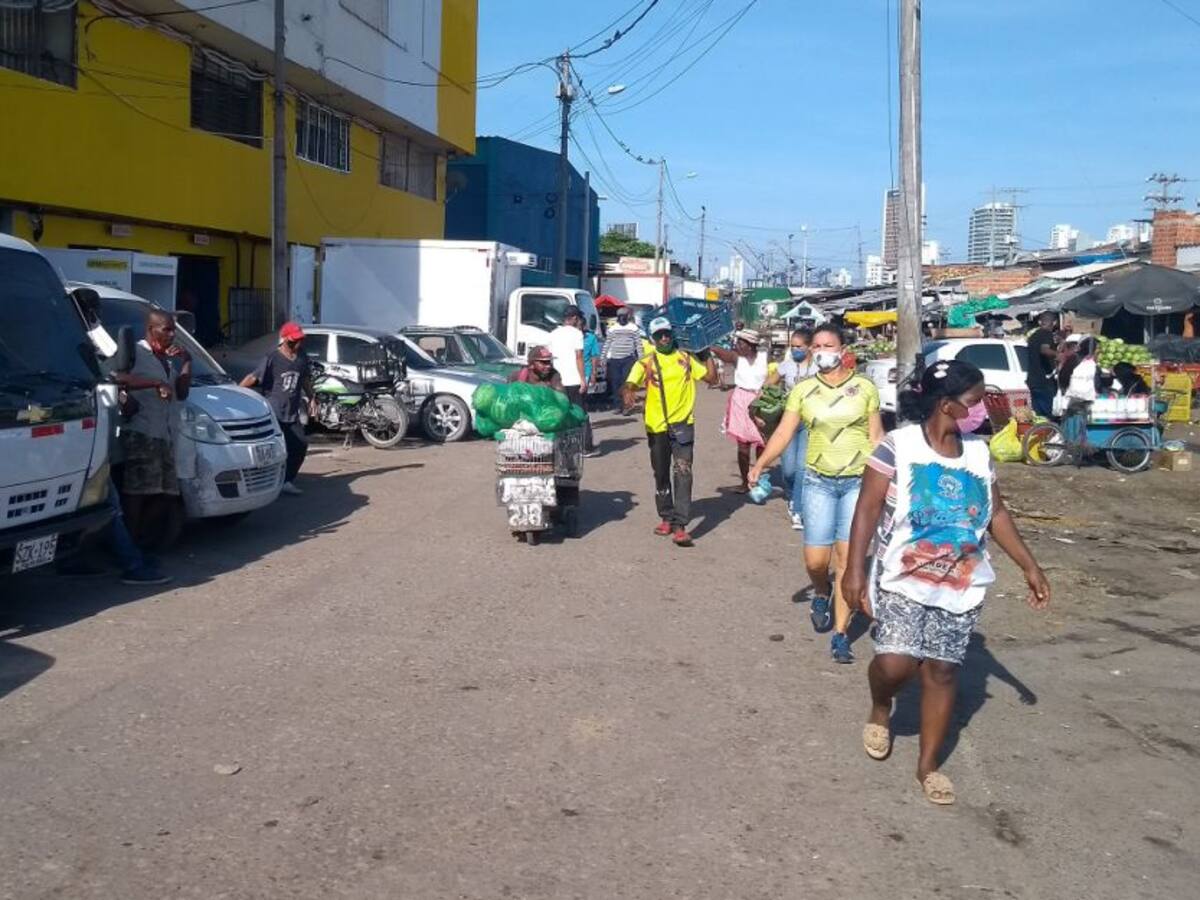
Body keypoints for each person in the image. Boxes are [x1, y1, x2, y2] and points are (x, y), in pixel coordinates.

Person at [841, 359, 1050, 806]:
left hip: (963, 582)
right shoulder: (898, 446)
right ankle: (881, 707)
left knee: (942, 669)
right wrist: (854, 569)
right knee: (897, 663)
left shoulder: (978, 452)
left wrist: (1030, 566)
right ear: (946, 404)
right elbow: (867, 509)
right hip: (902, 575)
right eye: (974, 402)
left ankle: (928, 765)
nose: (981, 410)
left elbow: (996, 513)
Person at [749, 324, 884, 663]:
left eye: (829, 345)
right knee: (816, 560)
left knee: (846, 560)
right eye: (817, 346)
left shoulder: (865, 387)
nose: (822, 351)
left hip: (858, 483)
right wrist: (762, 463)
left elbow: (877, 437)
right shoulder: (804, 390)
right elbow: (784, 431)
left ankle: (840, 634)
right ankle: (821, 591)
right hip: (818, 483)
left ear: (842, 349)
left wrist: (889, 480)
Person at [622, 316, 718, 547]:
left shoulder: (685, 358)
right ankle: (666, 516)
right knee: (661, 473)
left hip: (683, 424)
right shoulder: (646, 362)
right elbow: (629, 385)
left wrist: (706, 353)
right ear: (653, 339)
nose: (664, 338)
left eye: (667, 333)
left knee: (683, 472)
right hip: (657, 426)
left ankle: (681, 526)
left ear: (672, 334)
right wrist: (628, 393)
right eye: (659, 335)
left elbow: (711, 378)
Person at [114, 308, 191, 545]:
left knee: (168, 494)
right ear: (151, 329)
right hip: (141, 431)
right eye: (166, 329)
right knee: (137, 493)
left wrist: (187, 361)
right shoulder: (135, 352)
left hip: (164, 433)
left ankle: (137, 540)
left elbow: (182, 392)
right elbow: (117, 378)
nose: (171, 334)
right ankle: (130, 544)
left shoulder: (167, 359)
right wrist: (155, 382)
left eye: (173, 329)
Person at [241, 321, 313, 496]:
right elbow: (253, 377)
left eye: (300, 340)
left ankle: (286, 480)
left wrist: (312, 398)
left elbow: (304, 380)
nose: (297, 344)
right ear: (285, 339)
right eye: (294, 341)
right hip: (274, 412)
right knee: (274, 450)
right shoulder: (272, 358)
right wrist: (237, 392)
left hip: (292, 412)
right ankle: (263, 482)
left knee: (300, 445)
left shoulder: (302, 357)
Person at [767, 328, 817, 530]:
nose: (795, 350)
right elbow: (768, 384)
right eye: (793, 346)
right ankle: (790, 492)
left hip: (809, 422)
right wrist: (772, 399)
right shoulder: (786, 366)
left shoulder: (818, 368)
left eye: (799, 347)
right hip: (787, 421)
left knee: (802, 467)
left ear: (809, 347)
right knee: (788, 469)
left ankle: (798, 508)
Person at [710, 329, 769, 491]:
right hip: (740, 402)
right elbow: (721, 353)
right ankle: (745, 483)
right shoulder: (737, 358)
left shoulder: (765, 357)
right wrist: (709, 346)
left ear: (751, 345)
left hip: (761, 401)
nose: (737, 346)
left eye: (741, 344)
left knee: (762, 443)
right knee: (743, 446)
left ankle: (758, 478)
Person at [548, 306, 596, 455]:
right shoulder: (577, 334)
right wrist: (583, 379)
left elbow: (550, 357)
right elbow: (579, 357)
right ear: (575, 318)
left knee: (561, 413)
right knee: (580, 413)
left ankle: (562, 445)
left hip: (557, 380)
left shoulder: (553, 334)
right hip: (573, 379)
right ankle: (586, 447)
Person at [602, 307, 642, 411]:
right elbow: (607, 343)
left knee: (626, 383)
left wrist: (641, 359)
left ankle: (626, 406)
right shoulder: (612, 329)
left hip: (628, 359)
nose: (622, 319)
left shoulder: (633, 328)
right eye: (620, 317)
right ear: (618, 318)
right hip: (614, 359)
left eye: (624, 316)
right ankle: (617, 405)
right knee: (615, 382)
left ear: (628, 317)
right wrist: (603, 358)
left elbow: (638, 344)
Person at [1025, 312, 1059, 418]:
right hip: (1044, 381)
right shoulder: (1046, 334)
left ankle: (1040, 433)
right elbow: (1044, 350)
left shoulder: (1033, 336)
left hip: (1033, 381)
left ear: (1039, 322)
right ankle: (1047, 433)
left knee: (1038, 415)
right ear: (1055, 323)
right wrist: (1060, 355)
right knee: (1047, 415)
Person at [582, 323, 603, 410]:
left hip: (586, 371)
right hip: (570, 372)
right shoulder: (569, 337)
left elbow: (594, 356)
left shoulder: (591, 338)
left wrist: (593, 373)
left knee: (582, 396)